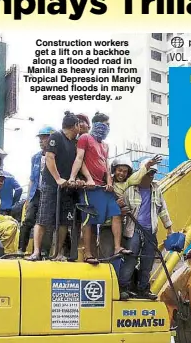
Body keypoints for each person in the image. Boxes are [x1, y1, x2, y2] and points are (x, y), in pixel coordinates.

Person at [27, 113, 83, 261]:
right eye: (79, 125)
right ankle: (36, 252)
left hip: (67, 187)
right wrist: (58, 178)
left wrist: (73, 179)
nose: (80, 128)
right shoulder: (56, 137)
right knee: (43, 218)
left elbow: (77, 164)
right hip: (51, 184)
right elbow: (50, 158)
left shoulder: (74, 143)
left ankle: (57, 253)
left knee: (64, 221)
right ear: (75, 126)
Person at [70, 111, 122, 265]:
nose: (107, 128)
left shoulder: (105, 145)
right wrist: (82, 178)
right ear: (98, 124)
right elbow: (80, 159)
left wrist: (109, 181)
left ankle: (118, 247)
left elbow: (105, 164)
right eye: (106, 125)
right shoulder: (85, 138)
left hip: (103, 186)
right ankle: (87, 253)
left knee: (116, 213)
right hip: (90, 188)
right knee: (88, 219)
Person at [118, 161, 173, 300]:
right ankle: (122, 288)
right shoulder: (130, 189)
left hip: (151, 231)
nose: (151, 176)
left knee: (147, 262)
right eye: (149, 172)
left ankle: (143, 289)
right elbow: (119, 210)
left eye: (153, 173)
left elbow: (163, 210)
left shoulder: (156, 189)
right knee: (130, 259)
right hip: (134, 229)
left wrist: (169, 229)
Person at [19, 126, 54, 254]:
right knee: (28, 220)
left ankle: (43, 252)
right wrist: (28, 198)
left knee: (46, 223)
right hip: (36, 192)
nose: (41, 141)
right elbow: (32, 179)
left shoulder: (57, 156)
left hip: (50, 193)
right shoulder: (35, 157)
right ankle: (21, 249)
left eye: (44, 137)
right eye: (40, 138)